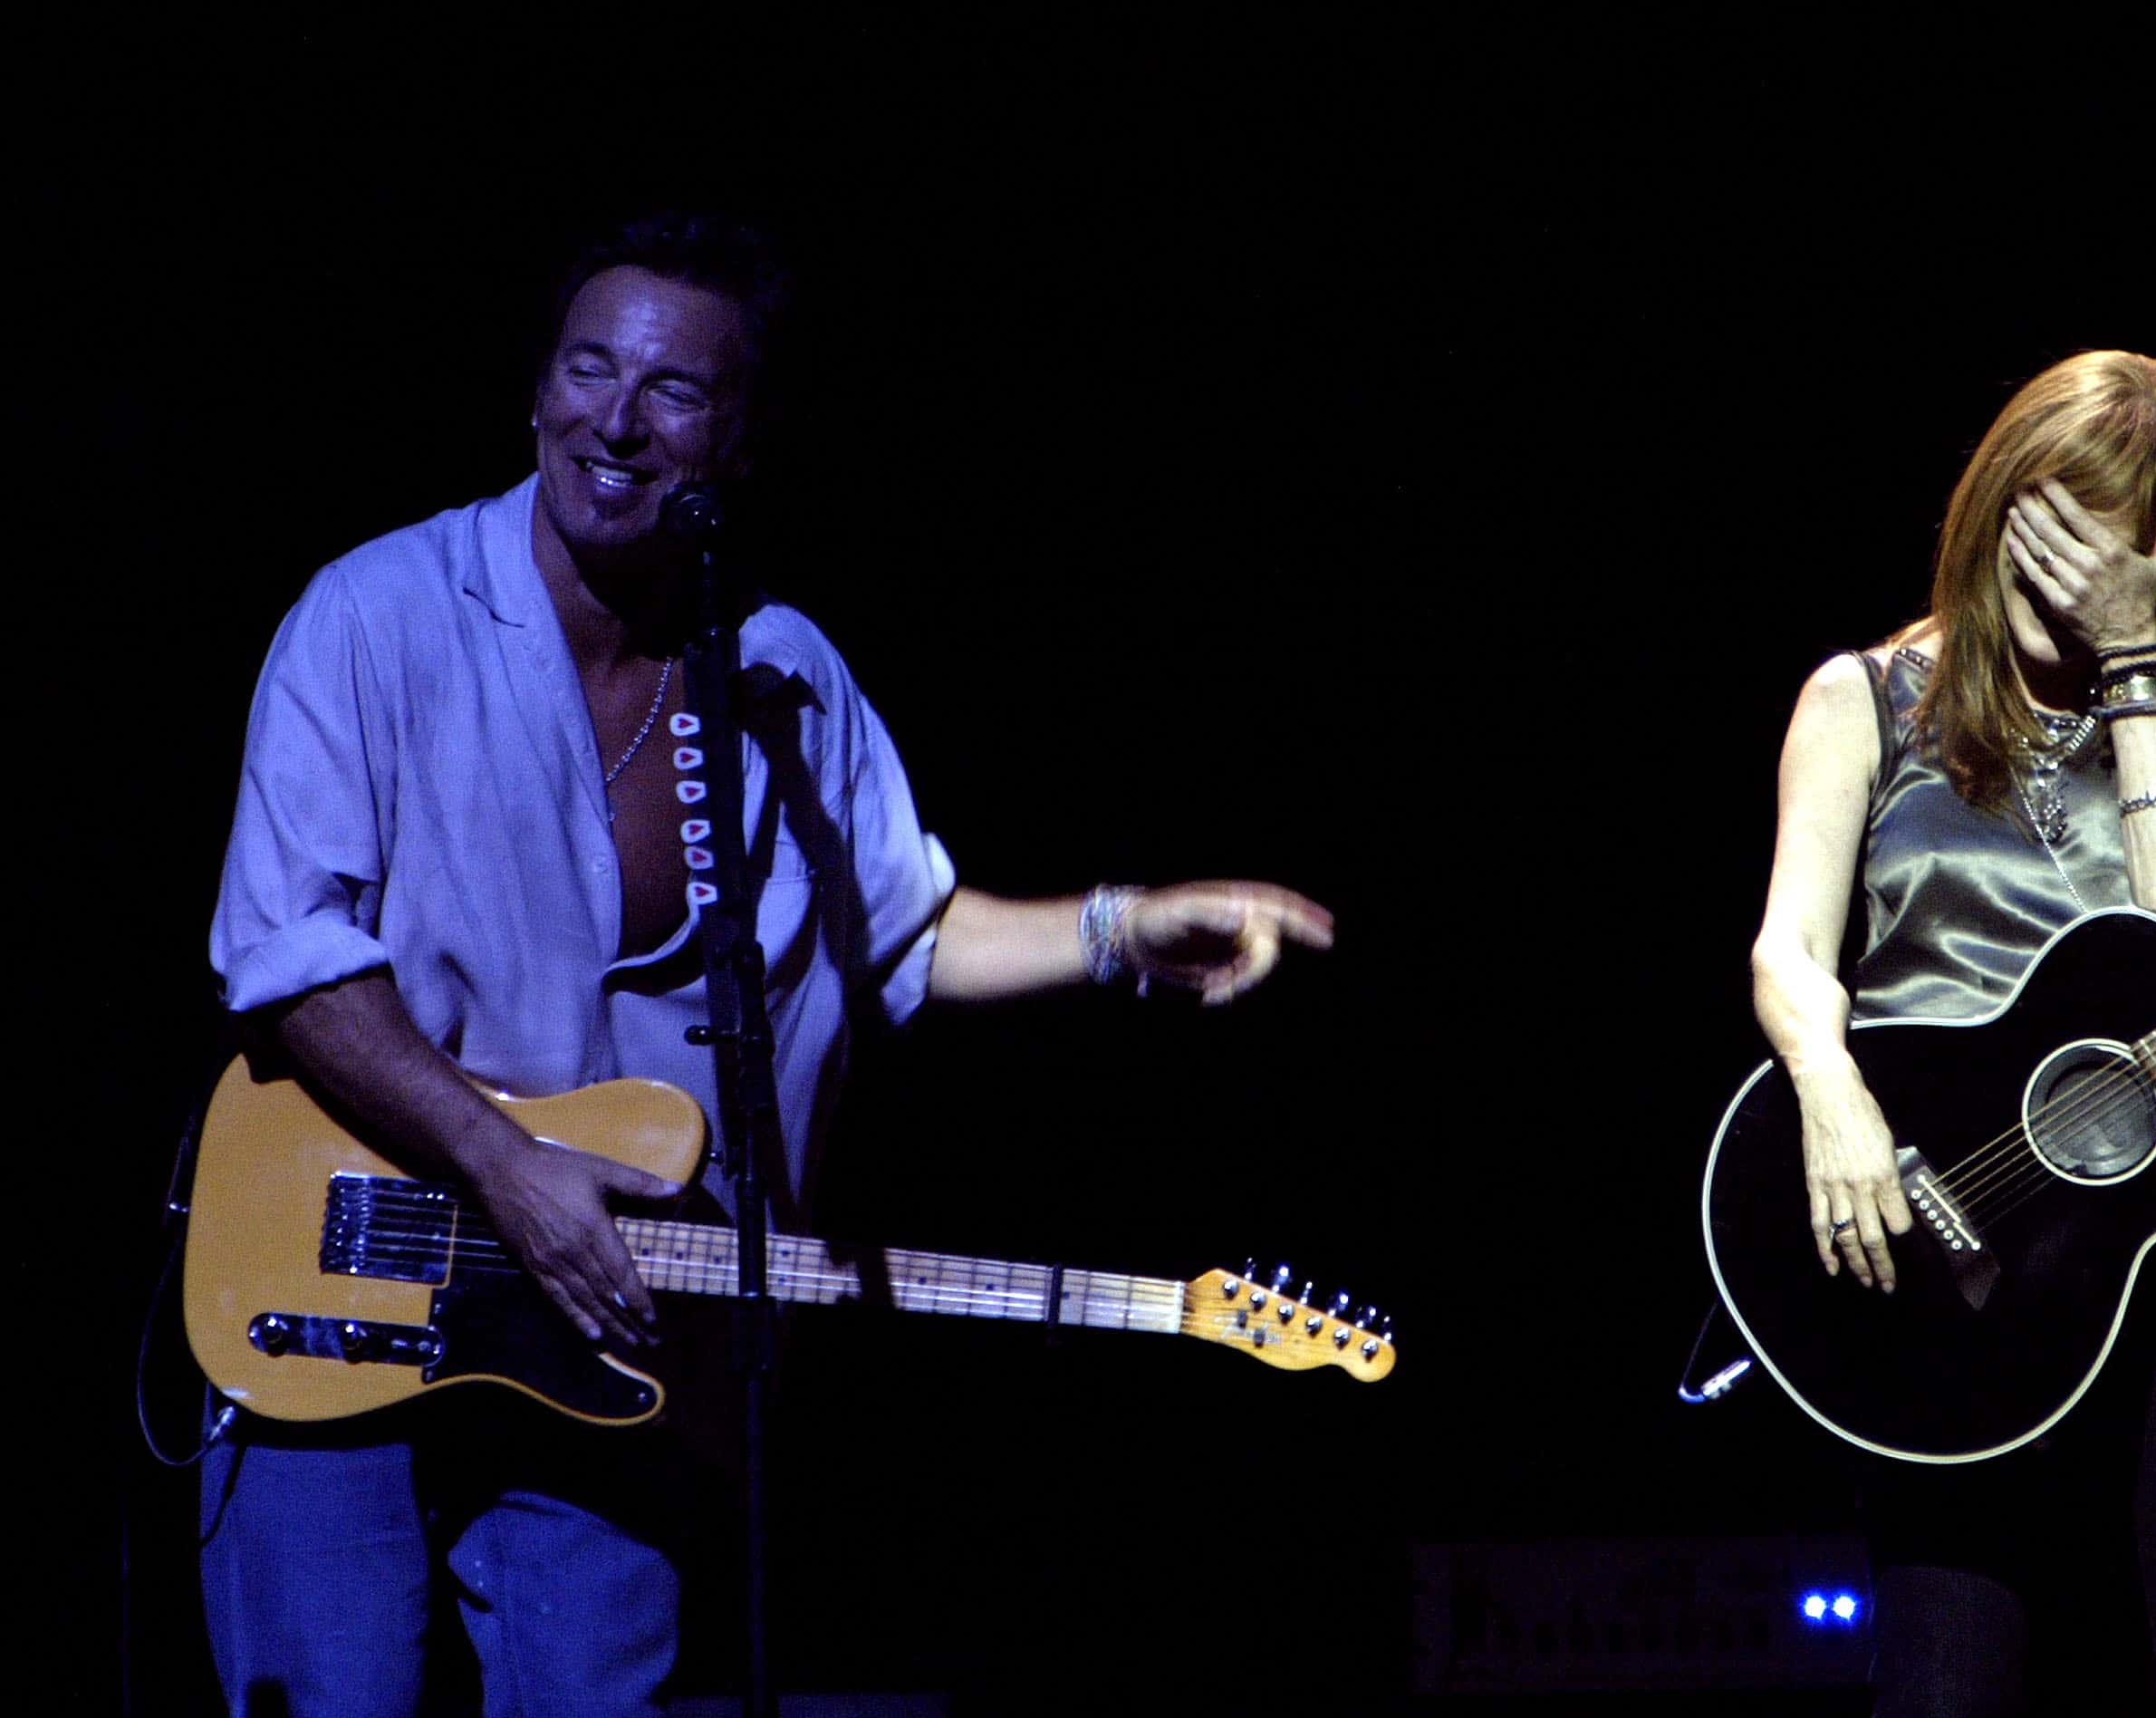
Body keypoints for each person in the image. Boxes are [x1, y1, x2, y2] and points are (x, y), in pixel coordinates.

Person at [198, 213, 1333, 1716]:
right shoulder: (374, 614)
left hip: (624, 1342)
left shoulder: (783, 675)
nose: (615, 418)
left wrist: (1121, 925)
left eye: (671, 391)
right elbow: (290, 960)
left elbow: (907, 934)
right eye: (588, 368)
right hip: (349, 1279)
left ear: (738, 439)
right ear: (537, 390)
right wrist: (504, 1168)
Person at [1748, 351, 2156, 1713]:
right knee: (1944, 1687)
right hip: (1974, 1238)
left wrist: (2136, 665)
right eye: (2046, 548)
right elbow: (1790, 947)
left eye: (2110, 567)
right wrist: (1832, 1090)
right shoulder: (1866, 699)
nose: (2061, 591)